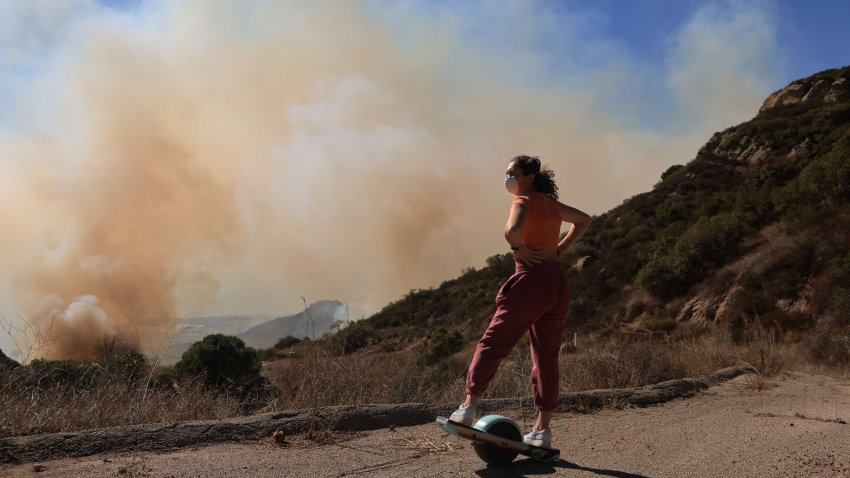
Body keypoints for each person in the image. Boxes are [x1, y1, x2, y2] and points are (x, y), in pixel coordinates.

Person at [449, 155, 592, 448]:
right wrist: (560, 248)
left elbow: (511, 231)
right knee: (546, 356)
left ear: (528, 176)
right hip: (556, 283)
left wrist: (518, 248)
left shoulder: (523, 201)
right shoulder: (552, 204)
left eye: (511, 173)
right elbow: (584, 220)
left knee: (493, 343)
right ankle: (541, 432)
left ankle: (467, 409)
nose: (507, 179)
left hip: (530, 281)